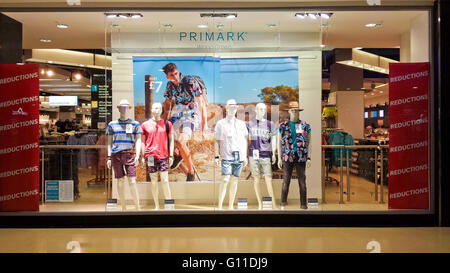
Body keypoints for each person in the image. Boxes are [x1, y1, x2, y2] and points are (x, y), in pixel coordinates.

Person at [161, 62, 208, 181]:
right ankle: (177, 155)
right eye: (171, 75)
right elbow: (167, 103)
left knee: (181, 142)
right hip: (179, 115)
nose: (175, 77)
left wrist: (204, 127)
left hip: (192, 115)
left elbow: (201, 104)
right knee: (160, 132)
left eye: (176, 74)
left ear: (178, 71)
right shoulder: (169, 86)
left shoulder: (190, 81)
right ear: (167, 76)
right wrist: (163, 119)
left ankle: (191, 173)